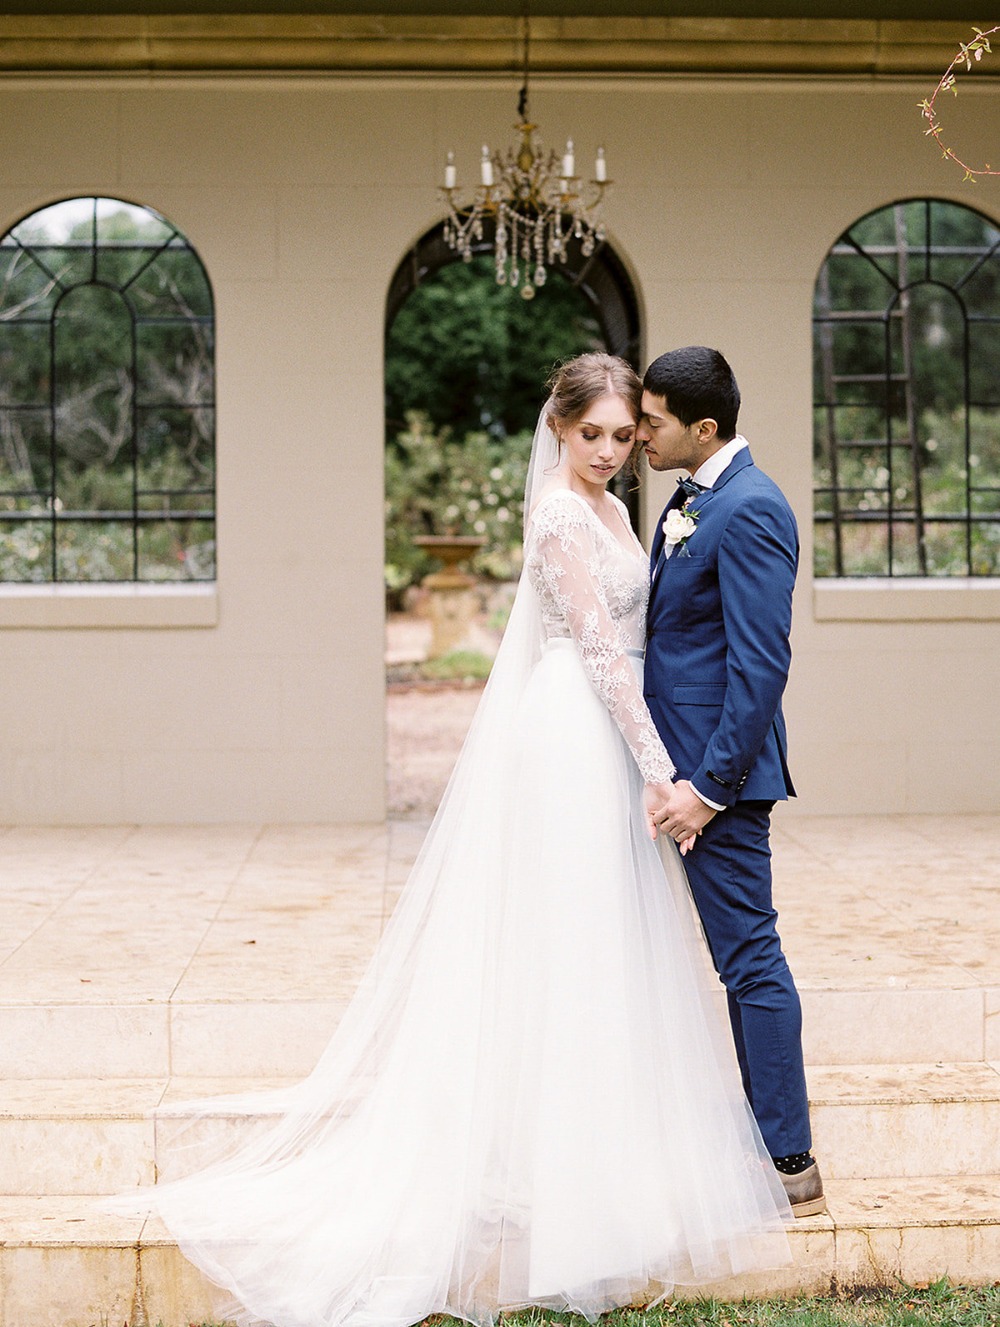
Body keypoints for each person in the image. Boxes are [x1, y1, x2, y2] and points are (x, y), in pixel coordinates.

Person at [113, 353, 791, 1327]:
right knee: (567, 941)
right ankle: (549, 1175)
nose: (607, 451)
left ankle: (602, 1153)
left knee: (607, 946)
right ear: (556, 428)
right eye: (589, 433)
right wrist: (657, 769)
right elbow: (601, 653)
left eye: (619, 434)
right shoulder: (561, 512)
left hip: (617, 733)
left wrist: (656, 754)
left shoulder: (618, 510)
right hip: (574, 733)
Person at [636, 345, 824, 1218]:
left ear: (703, 427)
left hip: (718, 787)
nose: (640, 433)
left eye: (654, 420)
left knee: (749, 959)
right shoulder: (690, 499)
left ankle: (788, 1157)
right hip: (667, 774)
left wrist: (706, 790)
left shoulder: (749, 508)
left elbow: (759, 664)